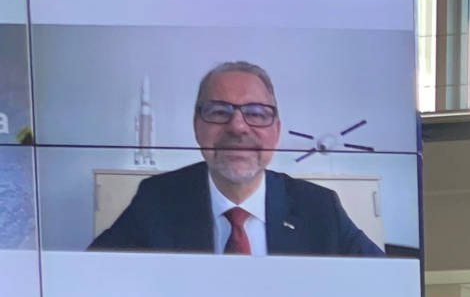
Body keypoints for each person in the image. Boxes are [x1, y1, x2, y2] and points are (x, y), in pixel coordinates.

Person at [89, 61, 383, 257]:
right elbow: (92, 281)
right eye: (219, 112)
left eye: (256, 114)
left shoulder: (320, 208)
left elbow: (387, 291)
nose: (238, 127)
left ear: (276, 131)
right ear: (197, 127)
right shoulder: (156, 200)